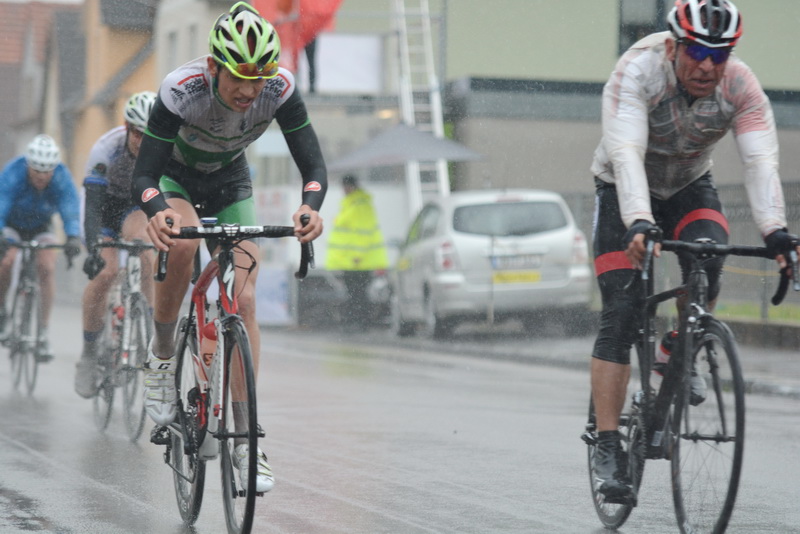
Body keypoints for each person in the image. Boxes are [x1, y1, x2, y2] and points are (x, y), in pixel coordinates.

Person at [588, 0, 798, 503]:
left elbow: (761, 162)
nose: (707, 65)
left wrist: (776, 232)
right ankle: (609, 444)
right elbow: (626, 153)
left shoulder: (741, 86)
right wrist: (639, 220)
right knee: (621, 311)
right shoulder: (638, 72)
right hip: (621, 189)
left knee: (710, 255)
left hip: (688, 184)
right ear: (673, 47)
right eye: (698, 52)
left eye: (719, 54)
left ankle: (675, 350)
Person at [131, 2, 326, 493]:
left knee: (245, 299)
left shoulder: (279, 88)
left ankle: (246, 442)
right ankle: (161, 357)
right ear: (215, 66)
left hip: (230, 181)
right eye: (239, 76)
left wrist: (309, 207)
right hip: (176, 178)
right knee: (181, 246)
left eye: (258, 78)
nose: (249, 90)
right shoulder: (181, 89)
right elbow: (144, 174)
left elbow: (313, 166)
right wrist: (157, 210)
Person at [74, 91, 158, 398]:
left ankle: (147, 330)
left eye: (150, 135)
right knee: (106, 272)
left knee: (144, 248)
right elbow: (93, 206)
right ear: (127, 127)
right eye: (138, 133)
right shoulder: (106, 148)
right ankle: (88, 352)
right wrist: (94, 248)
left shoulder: (167, 148)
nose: (143, 142)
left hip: (136, 207)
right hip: (103, 207)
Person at [0, 134, 82, 360]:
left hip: (41, 225)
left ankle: (43, 332)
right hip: (12, 225)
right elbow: (1, 202)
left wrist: (72, 236)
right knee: (7, 262)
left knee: (46, 267)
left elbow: (69, 207)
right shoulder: (14, 171)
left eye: (47, 171)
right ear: (28, 165)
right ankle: (1, 310)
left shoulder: (61, 176)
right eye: (36, 170)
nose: (42, 176)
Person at [325, 175, 388, 329]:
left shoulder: (359, 205)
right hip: (351, 261)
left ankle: (360, 322)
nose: (344, 190)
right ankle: (358, 322)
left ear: (351, 186)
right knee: (355, 293)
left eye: (345, 187)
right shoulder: (352, 204)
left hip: (358, 261)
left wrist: (358, 255)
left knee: (358, 293)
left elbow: (363, 233)